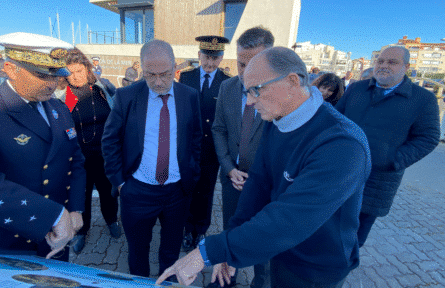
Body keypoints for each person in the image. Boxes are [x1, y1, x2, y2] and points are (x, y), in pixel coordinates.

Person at [157, 46, 371, 288]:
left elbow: (289, 219)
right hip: (280, 252)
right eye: (247, 91)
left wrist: (208, 252)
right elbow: (258, 184)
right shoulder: (278, 119)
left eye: (256, 90)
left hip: (315, 267)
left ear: (292, 81)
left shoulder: (342, 144)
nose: (249, 101)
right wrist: (229, 246)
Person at [0, 32, 86, 261]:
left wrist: (75, 209)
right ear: (10, 68)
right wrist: (56, 215)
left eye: (56, 75)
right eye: (42, 75)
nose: (52, 84)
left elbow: (75, 161)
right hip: (3, 242)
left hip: (55, 240)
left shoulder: (58, 108)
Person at [101, 39, 202, 278]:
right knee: (137, 252)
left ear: (175, 67)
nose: (158, 82)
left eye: (165, 74)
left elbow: (196, 138)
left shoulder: (189, 96)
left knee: (170, 252)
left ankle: (166, 283)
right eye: (150, 75)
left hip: (177, 192)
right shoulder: (127, 96)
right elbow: (110, 140)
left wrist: (191, 174)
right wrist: (120, 182)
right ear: (142, 70)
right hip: (137, 190)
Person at [335, 46, 440, 247]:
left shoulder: (423, 99)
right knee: (325, 228)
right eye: (380, 61)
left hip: (377, 180)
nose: (383, 66)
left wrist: (393, 159)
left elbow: (429, 138)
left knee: (353, 239)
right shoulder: (357, 89)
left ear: (406, 67)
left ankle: (339, 273)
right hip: (340, 171)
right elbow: (336, 120)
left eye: (392, 62)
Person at [211, 26, 274, 288]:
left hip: (266, 185)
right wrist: (228, 168)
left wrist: (258, 177)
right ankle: (227, 276)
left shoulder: (280, 91)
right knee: (232, 229)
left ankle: (262, 281)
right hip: (232, 178)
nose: (245, 71)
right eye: (240, 63)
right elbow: (219, 129)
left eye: (253, 64)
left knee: (265, 238)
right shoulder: (227, 87)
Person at [59, 49, 121, 254]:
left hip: (105, 155)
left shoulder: (102, 89)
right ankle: (81, 231)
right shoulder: (63, 97)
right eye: (70, 72)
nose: (75, 76)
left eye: (79, 70)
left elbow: (118, 115)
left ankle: (112, 220)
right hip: (79, 159)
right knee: (80, 196)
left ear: (88, 69)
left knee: (108, 192)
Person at [178, 35, 231, 252]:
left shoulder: (227, 82)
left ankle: (200, 229)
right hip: (188, 146)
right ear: (199, 55)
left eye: (215, 58)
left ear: (221, 58)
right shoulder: (186, 77)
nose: (210, 63)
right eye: (206, 57)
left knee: (206, 191)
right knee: (187, 188)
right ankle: (186, 228)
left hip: (211, 148)